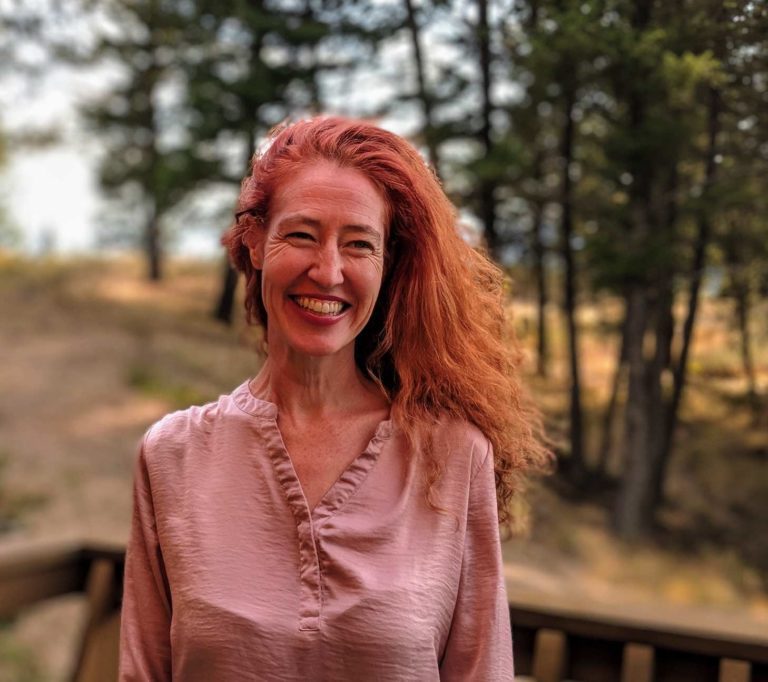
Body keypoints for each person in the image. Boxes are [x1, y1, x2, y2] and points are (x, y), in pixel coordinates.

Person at [119, 116, 552, 681]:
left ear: (387, 265)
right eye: (302, 235)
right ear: (255, 242)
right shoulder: (171, 455)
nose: (327, 272)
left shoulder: (453, 456)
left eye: (359, 245)